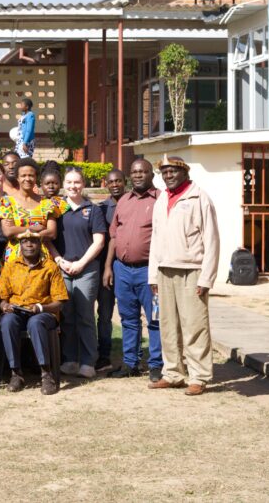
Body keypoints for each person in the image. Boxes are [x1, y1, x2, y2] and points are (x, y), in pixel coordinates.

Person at [148, 155, 219, 396]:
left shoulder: (200, 198)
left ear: (185, 173)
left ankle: (199, 376)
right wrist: (152, 277)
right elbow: (155, 240)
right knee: (168, 325)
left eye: (173, 172)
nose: (168, 176)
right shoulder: (161, 200)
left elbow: (212, 240)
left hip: (192, 270)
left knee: (194, 325)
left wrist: (206, 278)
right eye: (164, 172)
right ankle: (173, 373)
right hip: (165, 270)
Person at [105, 159, 162, 381]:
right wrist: (108, 267)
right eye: (134, 172)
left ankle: (157, 364)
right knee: (128, 319)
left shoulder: (161, 200)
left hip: (149, 271)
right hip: (123, 270)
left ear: (151, 174)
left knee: (155, 318)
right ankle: (131, 363)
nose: (138, 175)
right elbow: (113, 236)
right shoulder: (124, 201)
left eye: (142, 171)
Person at [0, 230, 69, 394]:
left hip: (43, 313)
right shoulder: (11, 266)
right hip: (17, 311)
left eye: (34, 241)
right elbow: (2, 297)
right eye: (25, 242)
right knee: (7, 321)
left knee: (36, 323)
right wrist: (4, 306)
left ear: (40, 245)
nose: (29, 244)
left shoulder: (50, 267)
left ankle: (46, 375)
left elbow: (60, 301)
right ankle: (16, 374)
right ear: (20, 246)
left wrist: (41, 307)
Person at [53, 168, 107, 379]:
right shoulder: (57, 210)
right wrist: (60, 260)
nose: (73, 186)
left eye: (77, 182)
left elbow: (99, 241)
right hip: (63, 268)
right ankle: (70, 359)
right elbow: (48, 239)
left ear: (83, 184)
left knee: (84, 315)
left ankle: (87, 361)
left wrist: (82, 263)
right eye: (69, 182)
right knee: (66, 314)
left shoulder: (92, 210)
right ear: (63, 185)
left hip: (87, 269)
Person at [0, 158, 60, 266]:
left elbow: (52, 233)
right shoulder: (7, 202)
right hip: (15, 258)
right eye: (23, 176)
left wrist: (18, 230)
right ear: (17, 177)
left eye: (31, 175)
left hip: (42, 259)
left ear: (36, 177)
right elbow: (8, 232)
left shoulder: (47, 203)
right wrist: (33, 228)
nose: (27, 179)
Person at [95, 169, 126, 372]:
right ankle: (103, 354)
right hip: (103, 266)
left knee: (128, 313)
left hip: (124, 266)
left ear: (125, 182)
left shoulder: (132, 203)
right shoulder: (101, 208)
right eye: (111, 181)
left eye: (118, 181)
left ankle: (132, 355)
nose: (115, 184)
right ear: (106, 184)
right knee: (104, 314)